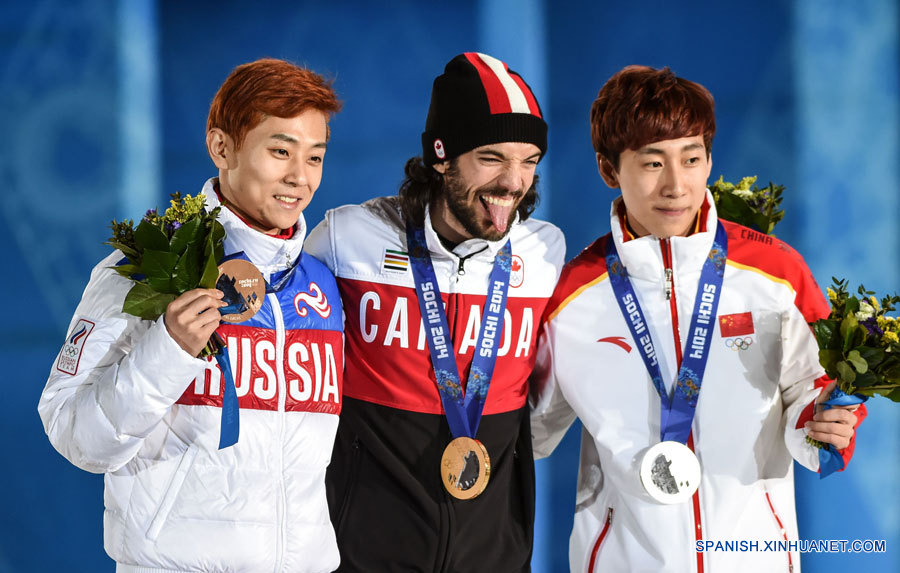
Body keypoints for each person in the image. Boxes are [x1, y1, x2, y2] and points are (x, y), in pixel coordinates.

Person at [530, 65, 867, 573]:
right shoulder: (572, 295)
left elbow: (813, 397)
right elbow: (528, 432)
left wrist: (827, 426)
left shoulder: (776, 272)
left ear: (709, 159)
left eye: (692, 159)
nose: (676, 185)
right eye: (651, 163)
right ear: (607, 169)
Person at [39, 58, 344, 572]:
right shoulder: (143, 268)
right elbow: (73, 434)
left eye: (314, 158)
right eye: (279, 151)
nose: (299, 177)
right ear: (221, 147)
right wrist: (168, 352)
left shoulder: (323, 285)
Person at [304, 52, 565, 571]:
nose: (515, 182)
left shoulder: (544, 252)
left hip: (492, 554)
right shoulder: (347, 238)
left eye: (530, 159)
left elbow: (554, 393)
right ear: (441, 156)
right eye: (492, 157)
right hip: (363, 553)